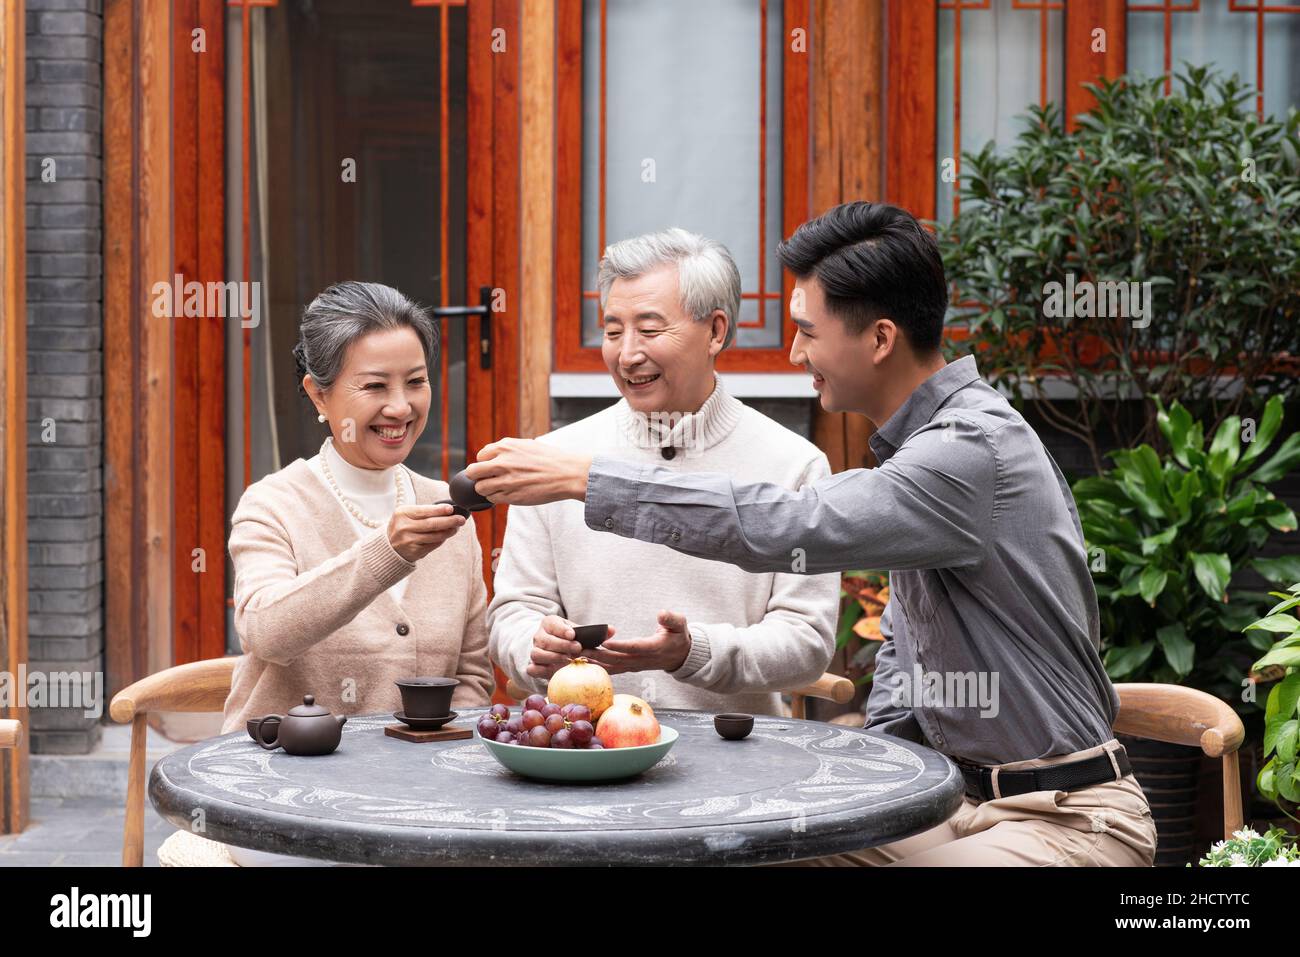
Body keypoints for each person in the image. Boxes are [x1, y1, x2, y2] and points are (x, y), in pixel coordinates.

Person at [463, 202, 1157, 867]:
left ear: (879, 338)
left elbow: (791, 521)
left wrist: (593, 480)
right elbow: (905, 653)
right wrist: (877, 775)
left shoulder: (968, 449)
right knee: (745, 852)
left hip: (1062, 813)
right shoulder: (916, 448)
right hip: (949, 801)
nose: (794, 351)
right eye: (613, 329)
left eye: (808, 331)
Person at [488, 228, 838, 717]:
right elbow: (513, 613)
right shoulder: (555, 460)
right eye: (613, 331)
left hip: (736, 761)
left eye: (649, 331)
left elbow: (806, 643)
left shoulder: (793, 464)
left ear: (716, 331)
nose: (627, 354)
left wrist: (692, 652)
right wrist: (534, 647)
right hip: (582, 753)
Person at [216, 281, 495, 866]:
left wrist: (440, 774)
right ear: (318, 396)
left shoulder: (449, 510)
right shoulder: (273, 504)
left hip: (418, 809)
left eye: (415, 381)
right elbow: (266, 631)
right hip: (283, 803)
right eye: (374, 386)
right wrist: (384, 551)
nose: (401, 406)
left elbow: (472, 675)